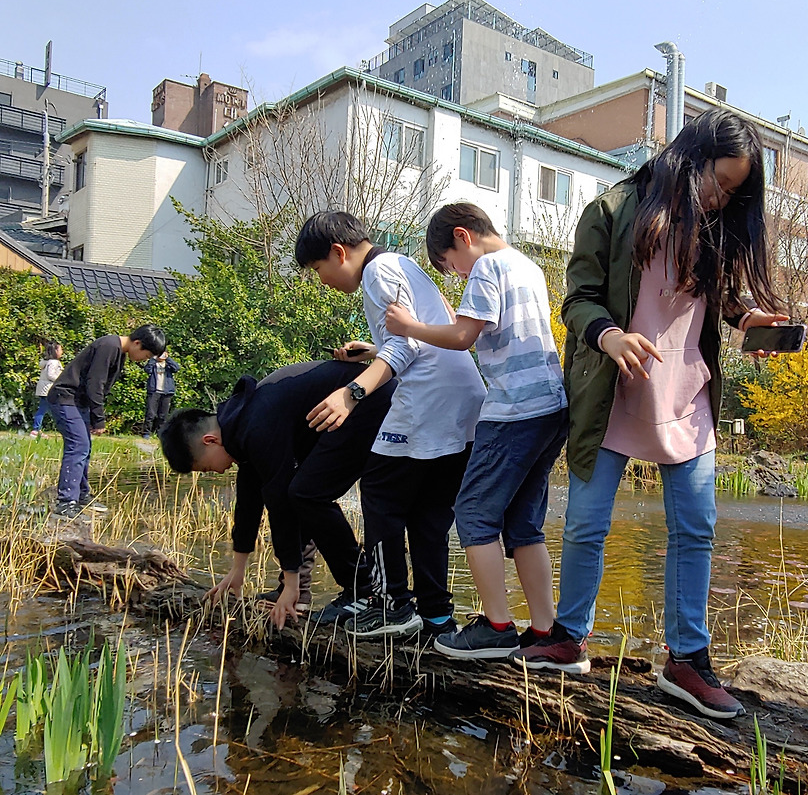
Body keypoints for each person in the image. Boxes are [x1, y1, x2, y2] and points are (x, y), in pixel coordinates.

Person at [510, 108, 787, 719]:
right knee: (586, 522)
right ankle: (567, 637)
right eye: (719, 181)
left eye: (736, 191)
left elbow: (711, 295)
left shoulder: (713, 229)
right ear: (689, 161)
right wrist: (607, 335)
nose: (723, 197)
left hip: (686, 392)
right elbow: (577, 300)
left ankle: (686, 658)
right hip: (612, 390)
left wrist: (746, 319)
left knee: (695, 528)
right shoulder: (611, 210)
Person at [383, 202, 568, 660]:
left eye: (451, 266)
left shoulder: (486, 266)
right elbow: (473, 328)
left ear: (463, 238)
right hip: (551, 406)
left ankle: (497, 627)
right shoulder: (526, 265)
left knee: (472, 513)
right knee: (523, 523)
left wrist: (409, 327)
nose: (458, 275)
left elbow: (463, 337)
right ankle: (546, 634)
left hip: (513, 410)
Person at [297, 210, 486, 638]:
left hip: (429, 400)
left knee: (380, 491)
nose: (321, 280)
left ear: (338, 252)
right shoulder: (400, 263)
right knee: (428, 514)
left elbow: (405, 348)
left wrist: (351, 393)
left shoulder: (377, 272)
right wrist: (372, 351)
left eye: (318, 270)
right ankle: (436, 617)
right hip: (462, 401)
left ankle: (390, 604)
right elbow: (418, 334)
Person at [159, 361, 394, 628]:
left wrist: (290, 580)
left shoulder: (256, 425)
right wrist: (238, 569)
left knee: (306, 495)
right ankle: (301, 594)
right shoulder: (239, 424)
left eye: (205, 468)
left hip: (370, 402)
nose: (216, 472)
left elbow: (280, 505)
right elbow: (248, 502)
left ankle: (363, 591)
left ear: (210, 441)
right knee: (302, 493)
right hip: (356, 408)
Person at [48, 326, 167, 517]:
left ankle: (81, 495)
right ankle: (65, 502)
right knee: (78, 445)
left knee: (84, 448)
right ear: (137, 343)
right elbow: (95, 383)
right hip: (65, 397)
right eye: (146, 355)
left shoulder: (118, 351)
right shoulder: (109, 346)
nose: (144, 360)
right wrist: (99, 419)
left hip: (78, 402)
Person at [143, 352, 180, 437]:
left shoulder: (168, 365)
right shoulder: (153, 364)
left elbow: (177, 368)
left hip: (166, 392)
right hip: (154, 391)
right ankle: (146, 433)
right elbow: (147, 369)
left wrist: (168, 359)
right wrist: (153, 358)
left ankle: (160, 434)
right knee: (150, 414)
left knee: (163, 415)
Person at [30, 342, 63, 437]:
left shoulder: (46, 362)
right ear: (55, 351)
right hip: (48, 389)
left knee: (44, 409)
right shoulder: (54, 362)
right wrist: (60, 380)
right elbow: (51, 375)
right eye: (60, 350)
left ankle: (37, 429)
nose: (62, 352)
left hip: (43, 389)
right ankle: (35, 430)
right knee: (48, 409)